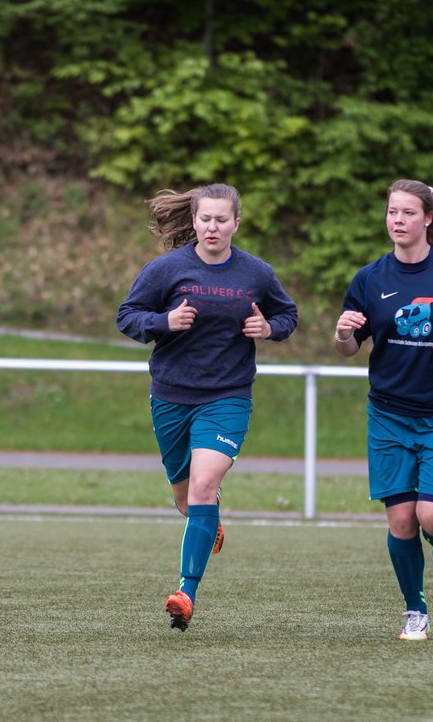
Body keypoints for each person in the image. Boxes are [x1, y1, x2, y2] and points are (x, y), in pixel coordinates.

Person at [117, 183, 298, 631]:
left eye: (222, 219)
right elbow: (128, 316)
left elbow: (288, 315)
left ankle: (186, 592)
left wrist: (268, 328)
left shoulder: (256, 273)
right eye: (205, 219)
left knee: (202, 487)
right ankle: (207, 518)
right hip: (171, 396)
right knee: (186, 499)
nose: (212, 227)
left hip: (228, 396)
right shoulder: (165, 269)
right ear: (194, 221)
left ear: (237, 222)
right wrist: (165, 322)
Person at [333, 179, 433, 641]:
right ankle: (414, 611)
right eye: (391, 212)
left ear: (427, 219)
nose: (397, 220)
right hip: (388, 415)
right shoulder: (369, 278)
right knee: (402, 519)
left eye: (407, 212)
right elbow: (348, 347)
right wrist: (343, 334)